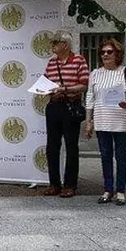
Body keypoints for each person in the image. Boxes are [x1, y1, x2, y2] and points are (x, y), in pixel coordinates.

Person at [85, 39, 126, 206]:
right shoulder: (95, 73)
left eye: (109, 51)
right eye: (102, 52)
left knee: (121, 156)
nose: (105, 55)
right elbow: (90, 97)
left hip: (121, 120)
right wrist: (89, 121)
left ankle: (121, 191)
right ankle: (108, 190)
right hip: (102, 120)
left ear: (117, 54)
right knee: (105, 156)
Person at [42, 30, 89, 198]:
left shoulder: (79, 60)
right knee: (52, 146)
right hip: (54, 106)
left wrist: (65, 89)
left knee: (71, 146)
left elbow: (84, 84)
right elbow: (46, 81)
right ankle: (54, 184)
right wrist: (46, 90)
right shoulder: (51, 62)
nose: (53, 45)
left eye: (56, 42)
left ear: (65, 45)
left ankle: (70, 185)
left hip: (70, 106)